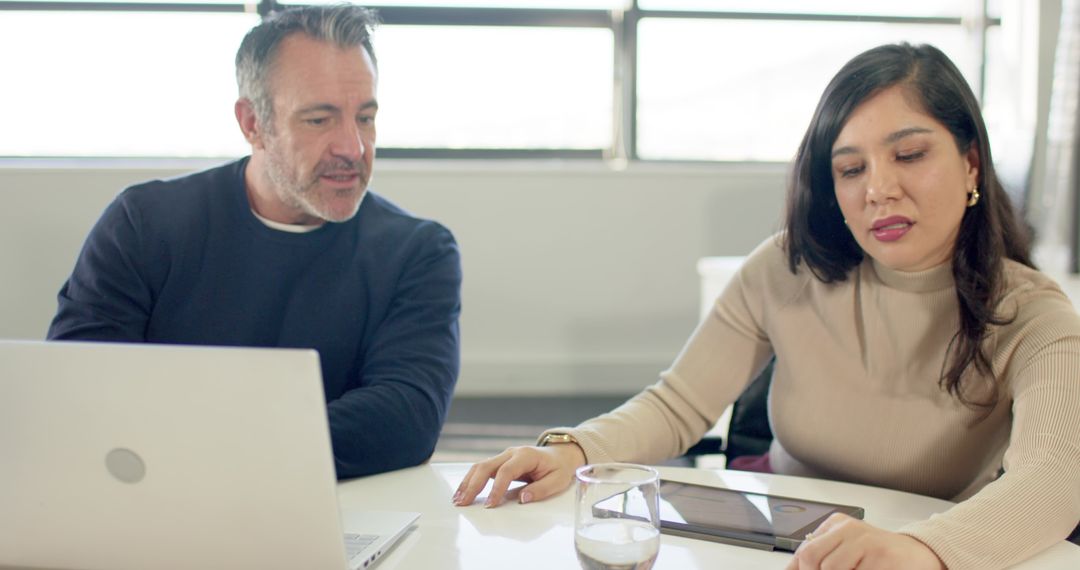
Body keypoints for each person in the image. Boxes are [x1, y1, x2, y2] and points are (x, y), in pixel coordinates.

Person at [453, 43, 1080, 570]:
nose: (879, 190)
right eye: (850, 168)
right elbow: (680, 404)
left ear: (971, 162)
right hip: (775, 550)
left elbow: (1054, 484)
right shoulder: (785, 269)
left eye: (909, 155)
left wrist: (918, 548)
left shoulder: (1034, 317)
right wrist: (573, 449)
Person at [47, 5, 462, 479]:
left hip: (328, 515)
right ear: (252, 123)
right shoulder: (144, 224)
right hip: (152, 498)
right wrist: (261, 440)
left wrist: (194, 440)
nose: (353, 148)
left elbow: (405, 419)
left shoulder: (418, 252)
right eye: (319, 120)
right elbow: (79, 387)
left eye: (364, 118)